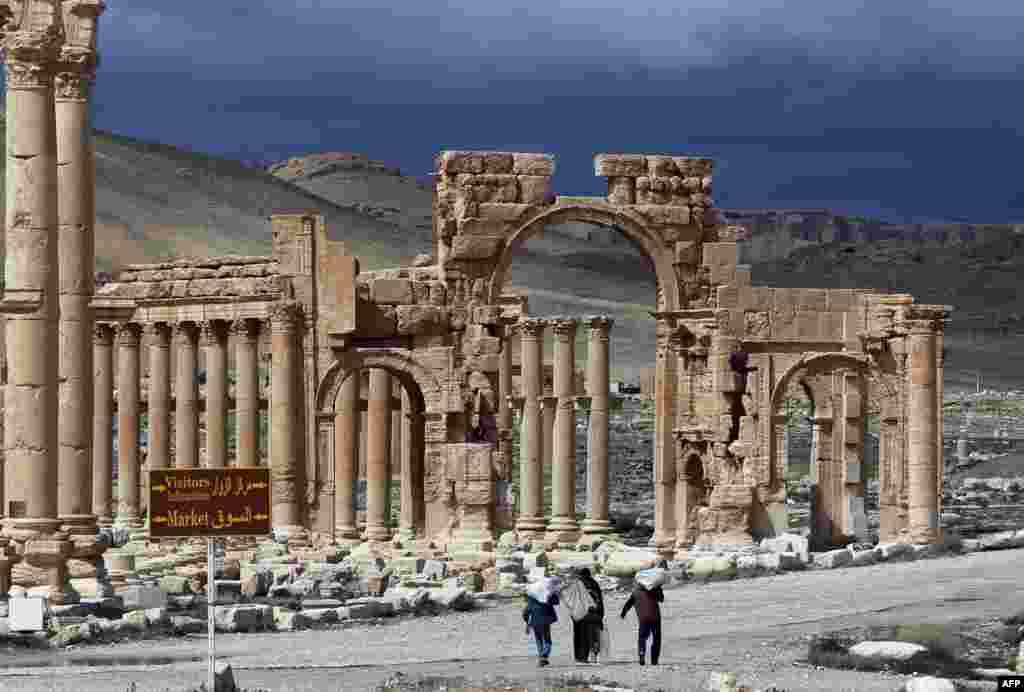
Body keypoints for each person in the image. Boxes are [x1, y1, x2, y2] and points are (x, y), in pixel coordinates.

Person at [620, 565, 666, 665]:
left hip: (644, 619)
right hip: (655, 618)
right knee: (656, 638)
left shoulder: (635, 592)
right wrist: (658, 588)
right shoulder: (653, 590)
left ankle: (641, 655)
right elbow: (661, 599)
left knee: (642, 637)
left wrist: (623, 613)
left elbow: (628, 604)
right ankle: (654, 660)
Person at [523, 580, 561, 667]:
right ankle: (544, 656)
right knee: (547, 640)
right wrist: (554, 593)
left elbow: (526, 611)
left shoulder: (531, 595)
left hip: (535, 621)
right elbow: (556, 602)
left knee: (539, 640)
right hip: (546, 620)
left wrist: (527, 623)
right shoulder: (548, 592)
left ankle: (541, 657)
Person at [572, 567, 605, 663]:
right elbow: (599, 600)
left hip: (579, 614)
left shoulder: (576, 584)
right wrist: (601, 615)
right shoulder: (594, 584)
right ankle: (593, 655)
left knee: (579, 635)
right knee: (593, 635)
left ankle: (580, 657)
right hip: (593, 613)